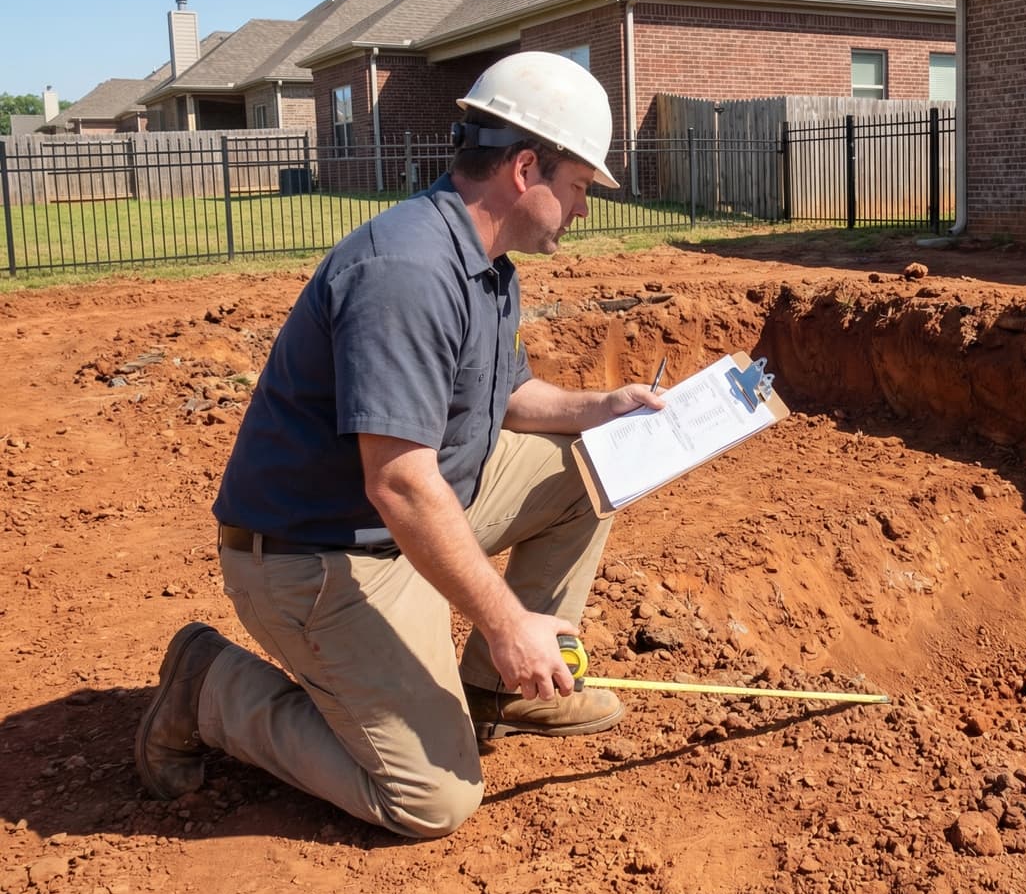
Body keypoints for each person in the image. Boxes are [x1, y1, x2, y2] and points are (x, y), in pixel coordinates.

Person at [134, 52, 663, 838]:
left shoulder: (487, 265)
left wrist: (604, 407)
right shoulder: (408, 273)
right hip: (316, 554)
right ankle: (209, 687)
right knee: (432, 798)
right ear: (526, 168)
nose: (584, 208)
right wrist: (506, 620)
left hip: (395, 523)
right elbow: (401, 484)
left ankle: (496, 690)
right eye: (581, 186)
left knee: (591, 467)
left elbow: (510, 397)